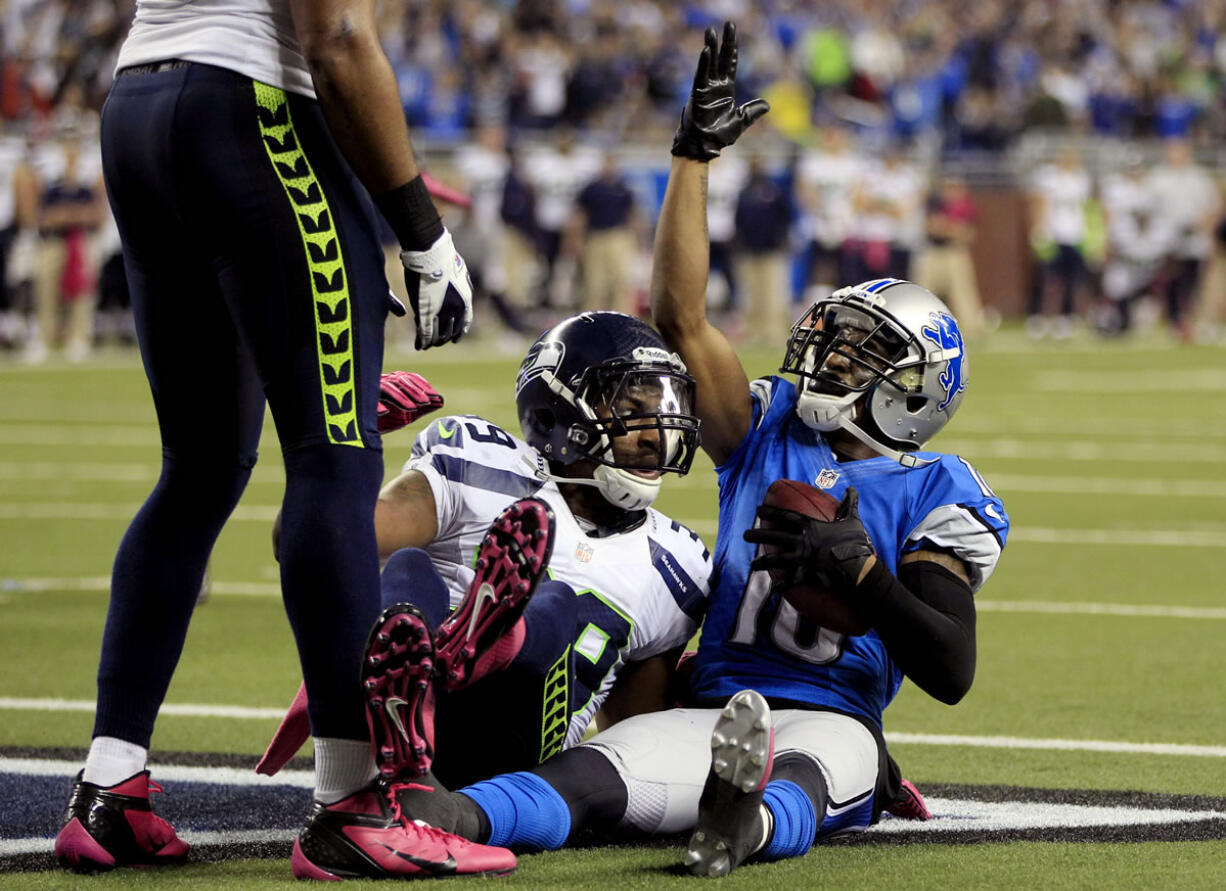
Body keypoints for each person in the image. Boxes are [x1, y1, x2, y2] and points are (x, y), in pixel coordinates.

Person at [392, 22, 1008, 879]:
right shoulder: (769, 426)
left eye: (864, 350)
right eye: (835, 336)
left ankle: (740, 826)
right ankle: (446, 809)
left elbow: (952, 665)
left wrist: (864, 574)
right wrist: (692, 159)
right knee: (597, 778)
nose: (830, 354)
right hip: (714, 705)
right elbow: (682, 322)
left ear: (917, 390)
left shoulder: (938, 488)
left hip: (834, 714)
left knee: (807, 776)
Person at [52, 0, 493, 880]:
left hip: (140, 105)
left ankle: (110, 789)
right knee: (333, 458)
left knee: (200, 467)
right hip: (251, 103)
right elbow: (334, 35)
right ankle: (352, 805)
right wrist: (422, 231)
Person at [257, 312, 713, 795]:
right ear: (555, 413)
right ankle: (433, 677)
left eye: (664, 408)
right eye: (632, 408)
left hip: (508, 761)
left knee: (554, 604)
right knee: (410, 569)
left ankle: (487, 644)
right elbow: (308, 543)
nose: (654, 434)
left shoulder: (676, 564)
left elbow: (636, 743)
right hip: (404, 735)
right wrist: (345, 452)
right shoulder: (483, 466)